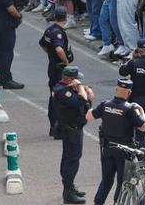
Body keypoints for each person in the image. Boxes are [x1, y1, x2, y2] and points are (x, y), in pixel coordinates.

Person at [87, 78, 145, 205]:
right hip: (124, 151)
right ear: (129, 92)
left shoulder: (105, 104)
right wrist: (141, 110)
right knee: (122, 182)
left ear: (116, 90)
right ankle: (118, 202)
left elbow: (89, 116)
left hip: (108, 148)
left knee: (106, 180)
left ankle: (98, 202)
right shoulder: (130, 109)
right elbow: (144, 126)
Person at [53, 65, 95, 204]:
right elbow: (81, 100)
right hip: (71, 129)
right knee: (71, 161)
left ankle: (70, 187)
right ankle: (68, 192)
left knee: (70, 159)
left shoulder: (68, 89)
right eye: (76, 79)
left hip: (75, 128)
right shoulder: (62, 91)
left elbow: (89, 99)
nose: (79, 82)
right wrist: (81, 88)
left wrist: (86, 89)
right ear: (70, 79)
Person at [42, 6, 72, 138]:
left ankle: (52, 127)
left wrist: (50, 54)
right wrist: (65, 62)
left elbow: (43, 44)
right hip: (59, 69)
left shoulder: (49, 30)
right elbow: (59, 49)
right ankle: (58, 129)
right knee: (60, 98)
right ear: (65, 17)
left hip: (52, 66)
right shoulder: (58, 32)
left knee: (53, 97)